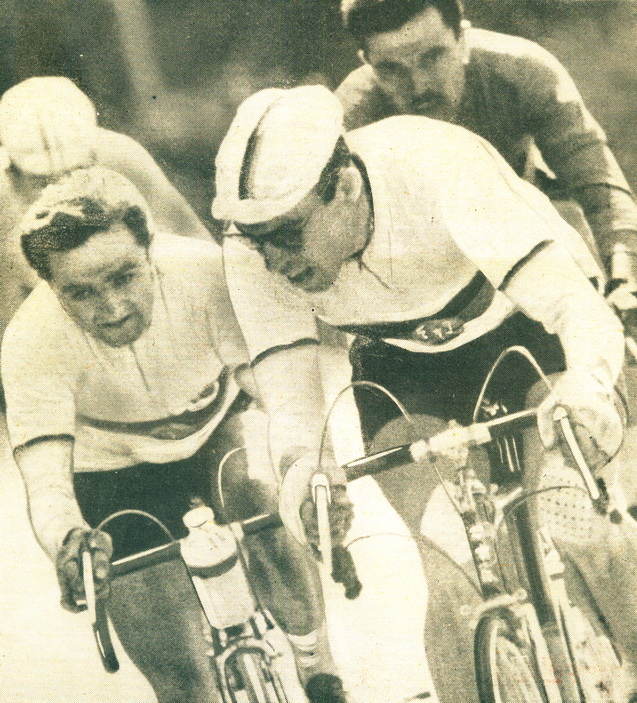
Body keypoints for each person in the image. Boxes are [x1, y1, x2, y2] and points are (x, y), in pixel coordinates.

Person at [214, 85, 637, 703]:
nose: (273, 259)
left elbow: (573, 305)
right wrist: (305, 465)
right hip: (402, 370)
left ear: (345, 188)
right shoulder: (251, 252)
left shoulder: (437, 166)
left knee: (576, 521)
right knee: (452, 576)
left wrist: (586, 385)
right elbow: (290, 393)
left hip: (523, 332)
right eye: (257, 240)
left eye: (287, 233)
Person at [1, 166, 349, 703]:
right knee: (183, 683)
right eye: (81, 293)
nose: (112, 308)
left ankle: (315, 659)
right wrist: (68, 541)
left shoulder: (206, 274)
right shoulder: (30, 342)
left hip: (215, 434)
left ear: (152, 251)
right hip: (110, 471)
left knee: (260, 503)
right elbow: (47, 482)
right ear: (50, 287)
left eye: (124, 277)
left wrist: (312, 468)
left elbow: (281, 396)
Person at [336, 0, 637, 323]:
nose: (419, 85)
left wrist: (624, 280)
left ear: (462, 40)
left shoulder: (522, 71)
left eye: (433, 56)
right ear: (367, 62)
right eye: (391, 69)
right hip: (423, 256)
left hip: (526, 221)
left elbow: (597, 182)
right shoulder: (350, 118)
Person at [0, 76, 212, 342]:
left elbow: (198, 246)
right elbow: (10, 321)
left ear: (94, 153)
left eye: (77, 172)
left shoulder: (122, 155)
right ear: (12, 172)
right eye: (41, 182)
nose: (63, 191)